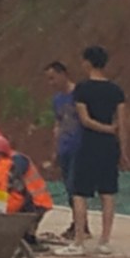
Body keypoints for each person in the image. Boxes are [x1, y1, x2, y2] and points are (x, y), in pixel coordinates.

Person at [68, 46, 128, 256]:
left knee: (80, 193)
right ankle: (104, 241)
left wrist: (105, 129)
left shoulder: (82, 89)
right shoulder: (116, 91)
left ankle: (78, 241)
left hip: (89, 144)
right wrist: (122, 148)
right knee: (108, 193)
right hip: (109, 146)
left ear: (87, 62)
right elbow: (122, 123)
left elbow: (85, 120)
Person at [0, 128, 54, 219]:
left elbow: (15, 188)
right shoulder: (3, 165)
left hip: (36, 203)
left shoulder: (16, 162)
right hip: (23, 205)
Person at [46, 60, 83, 240]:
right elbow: (58, 124)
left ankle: (80, 225)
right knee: (69, 188)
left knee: (76, 187)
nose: (51, 83)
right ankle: (79, 223)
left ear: (63, 74)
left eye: (53, 78)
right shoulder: (57, 99)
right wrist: (55, 150)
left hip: (80, 147)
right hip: (65, 148)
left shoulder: (79, 94)